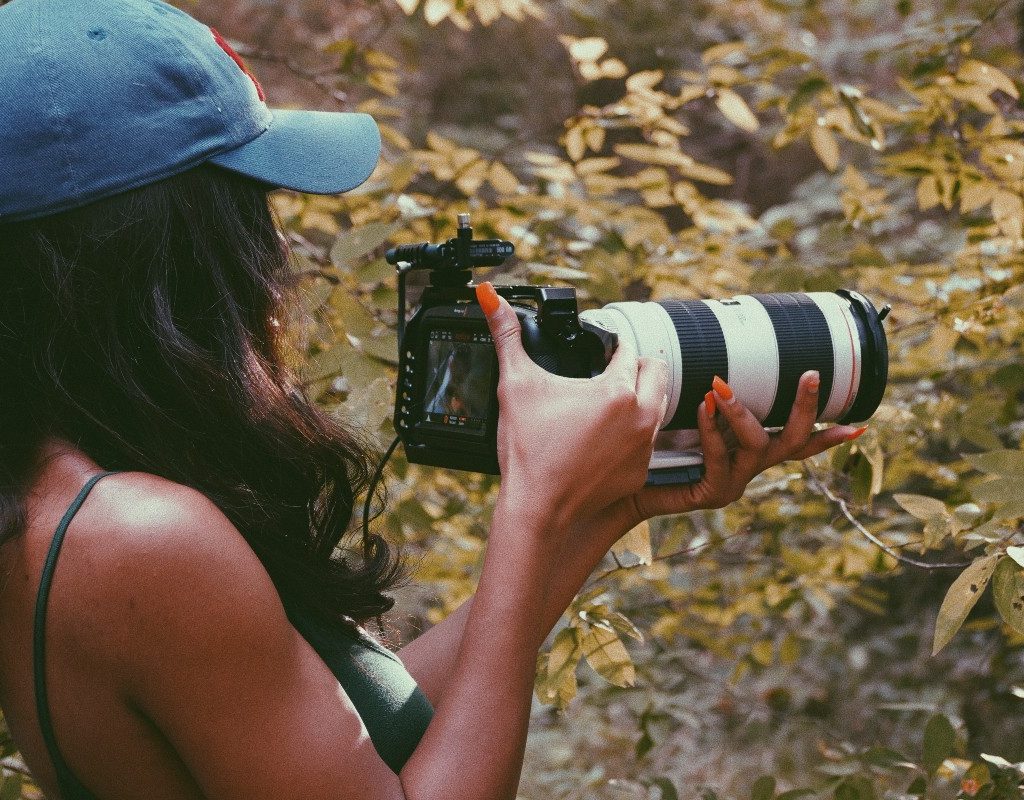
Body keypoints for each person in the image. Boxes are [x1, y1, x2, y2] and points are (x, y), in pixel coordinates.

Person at [0, 0, 867, 798]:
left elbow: (369, 733)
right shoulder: (141, 540)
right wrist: (530, 504)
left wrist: (599, 511)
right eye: (252, 209)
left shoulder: (54, 497)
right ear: (171, 255)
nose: (276, 250)